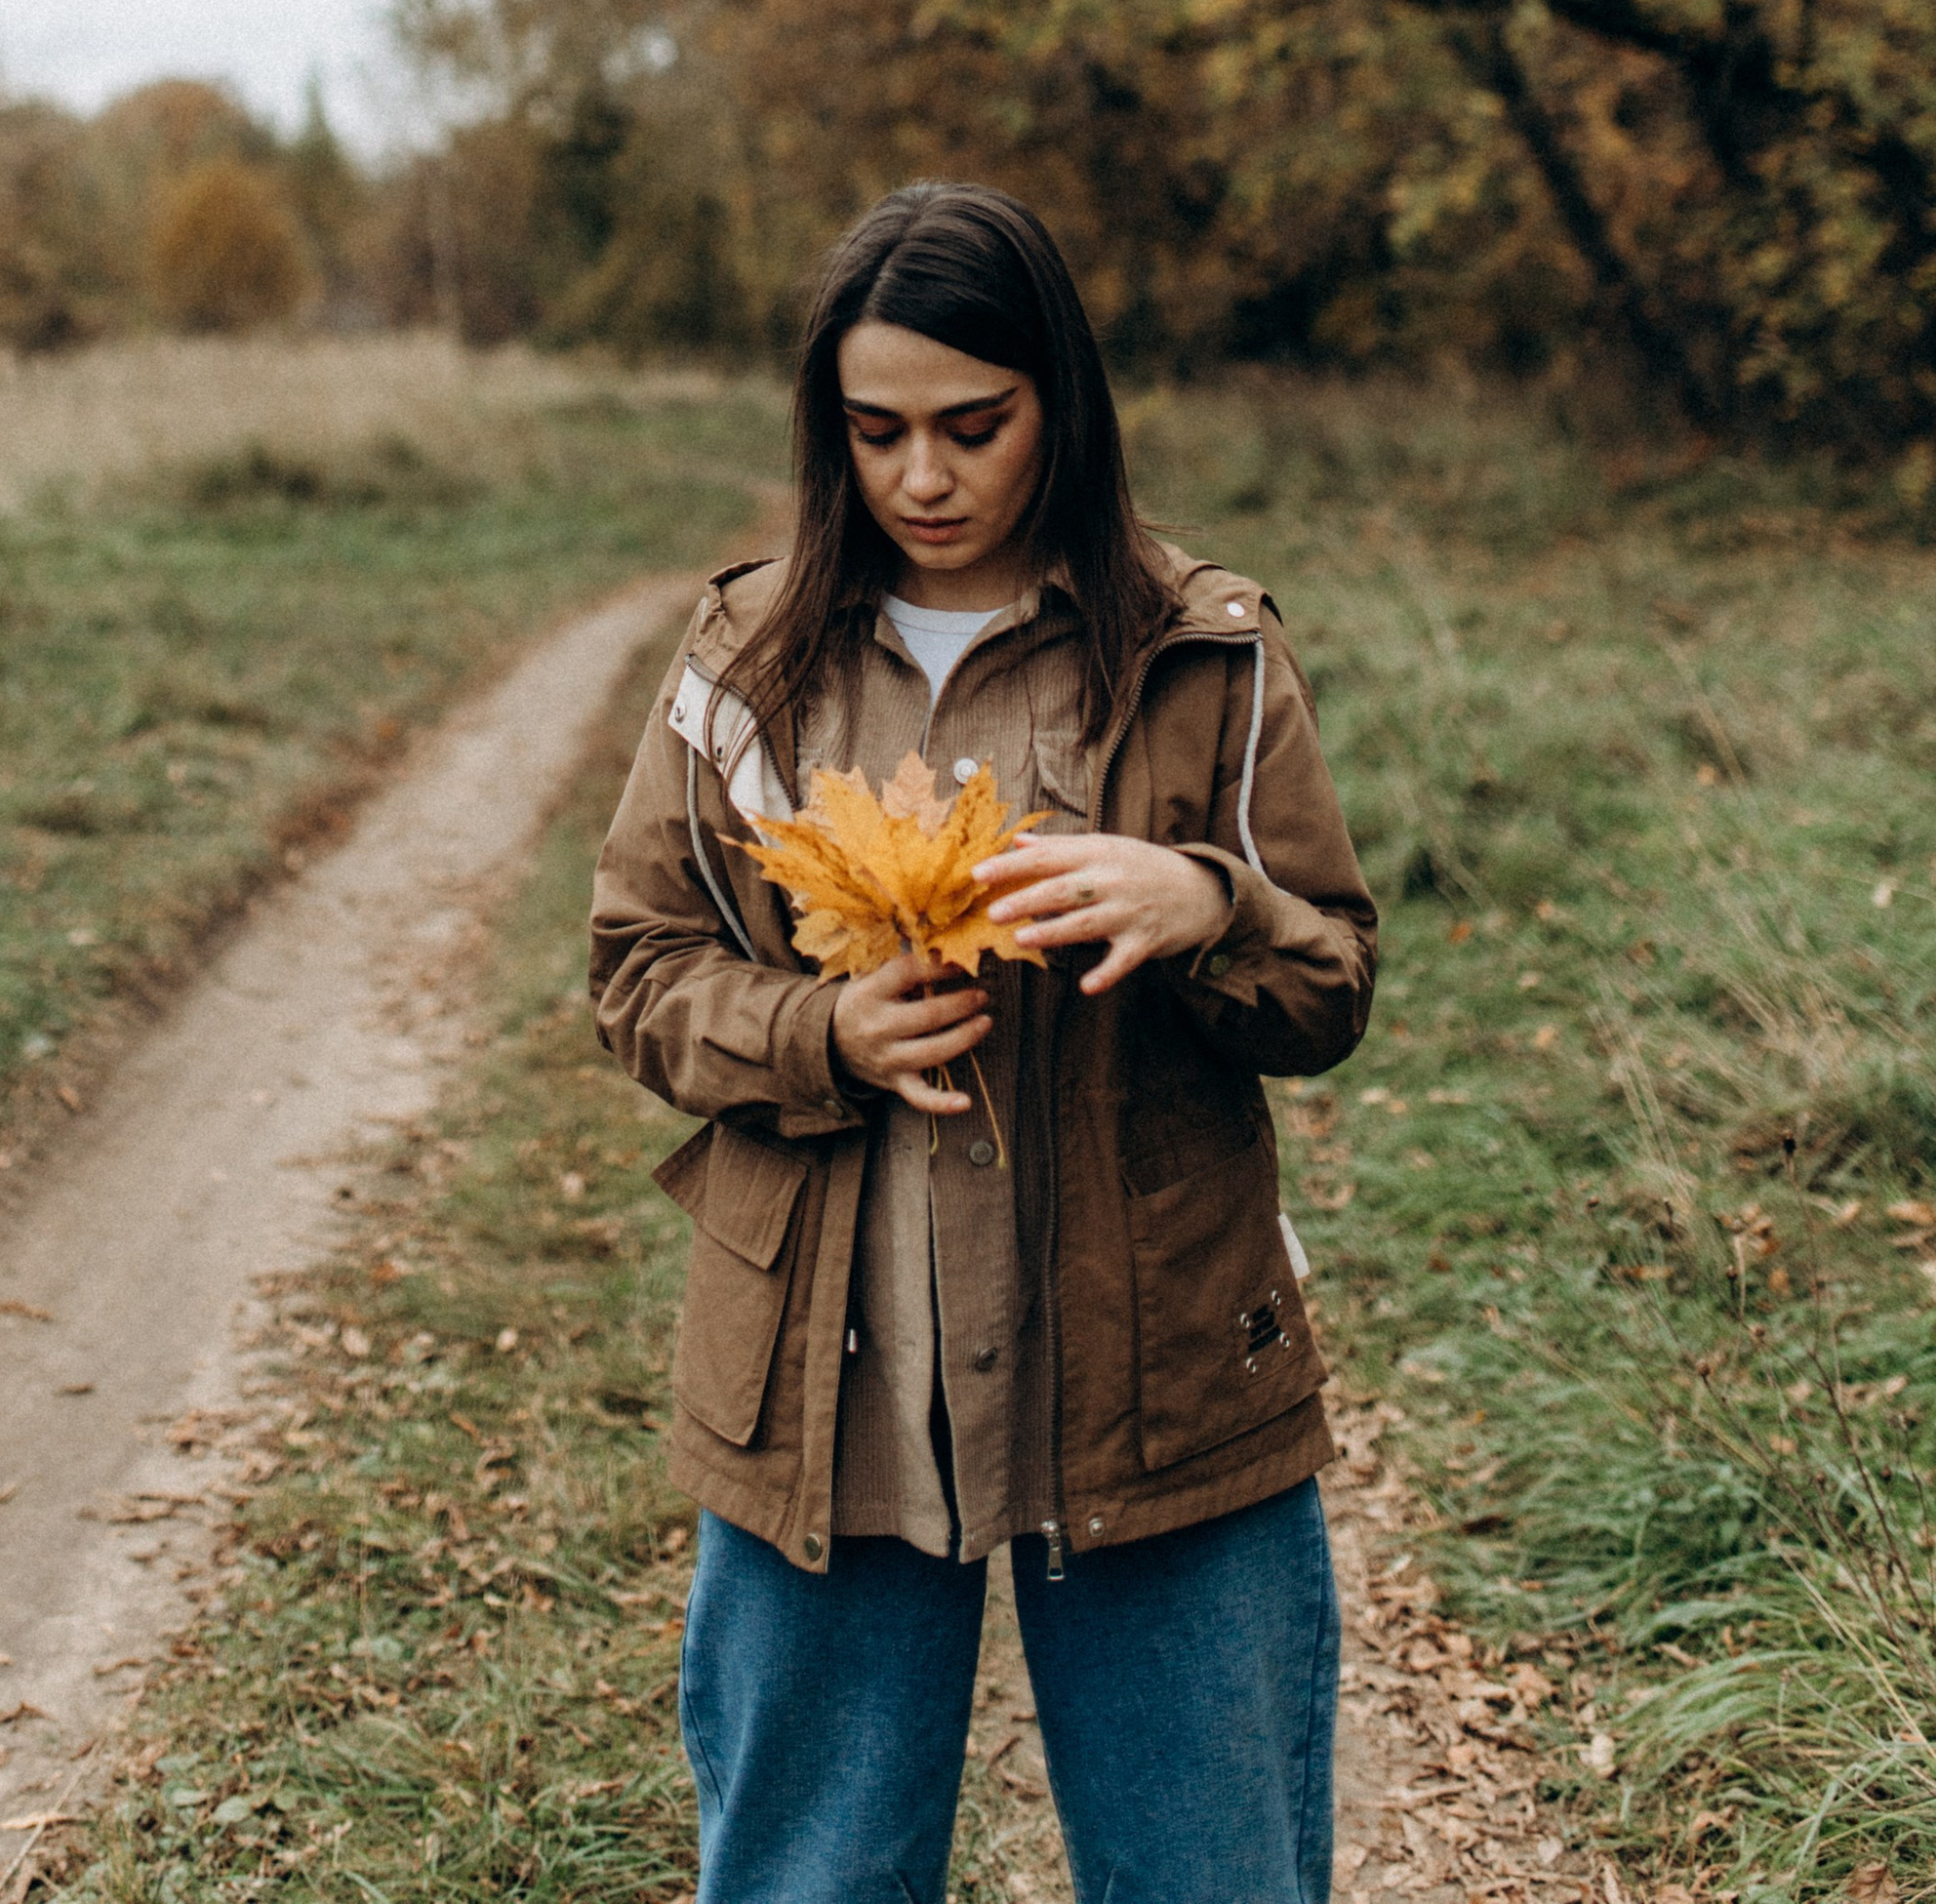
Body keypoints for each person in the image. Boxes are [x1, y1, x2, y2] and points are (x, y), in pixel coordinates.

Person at [589, 180, 1380, 1904]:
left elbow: (1330, 985)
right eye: (876, 433)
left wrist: (1205, 904)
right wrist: (819, 1031)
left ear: (1061, 411)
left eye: (974, 426)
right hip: (830, 1371)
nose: (924, 478)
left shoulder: (1200, 651)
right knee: (811, 1875)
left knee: (1215, 1874)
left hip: (1161, 1370)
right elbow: (636, 970)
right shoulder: (745, 664)